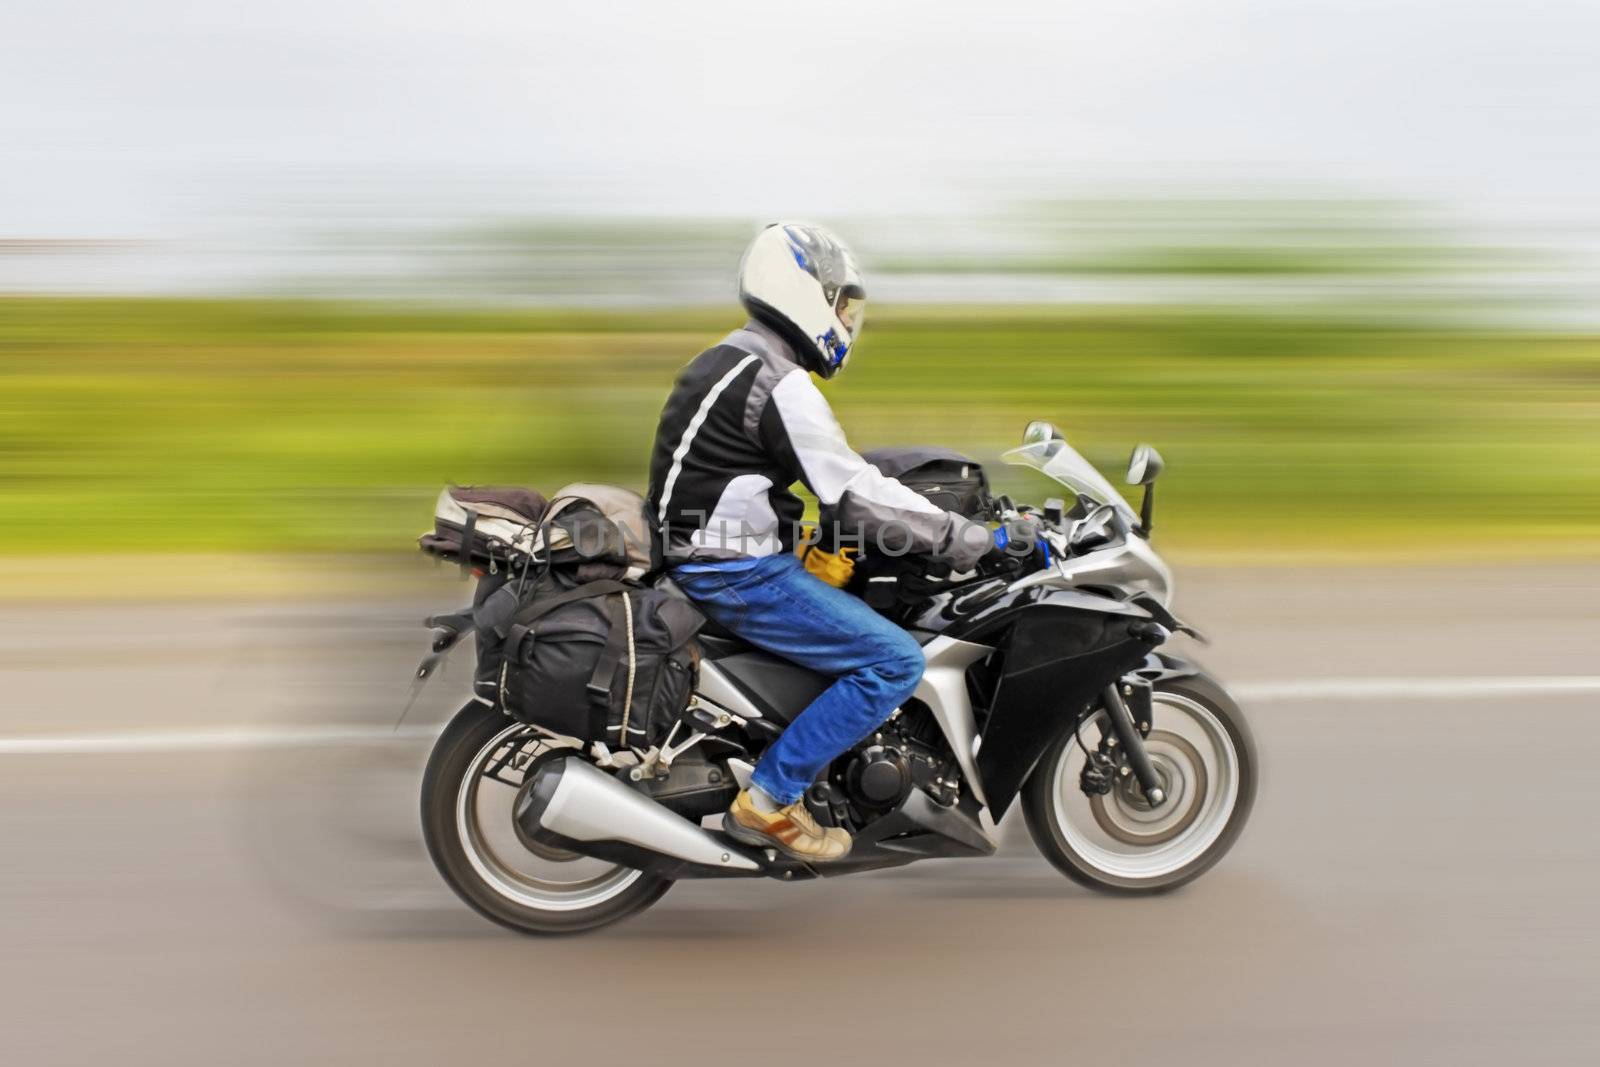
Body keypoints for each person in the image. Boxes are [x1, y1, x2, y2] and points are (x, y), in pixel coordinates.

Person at [646, 222, 992, 862]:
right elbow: (853, 492)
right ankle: (772, 798)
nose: (845, 321)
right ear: (801, 291)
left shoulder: (731, 356)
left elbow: (761, 481)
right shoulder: (780, 381)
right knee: (894, 661)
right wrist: (964, 537)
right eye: (840, 304)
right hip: (730, 571)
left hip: (704, 548)